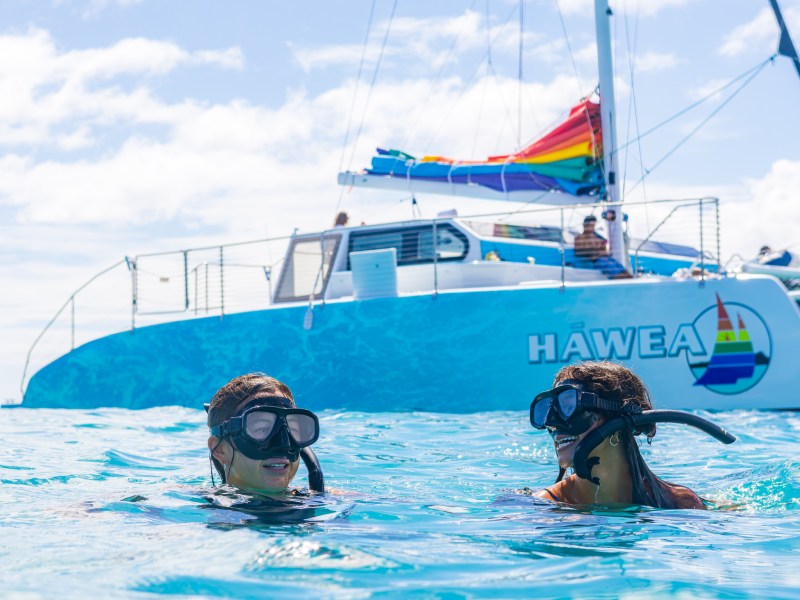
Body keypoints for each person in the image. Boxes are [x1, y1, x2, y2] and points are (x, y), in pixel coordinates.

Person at [528, 361, 728, 509]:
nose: (552, 424)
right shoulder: (546, 509)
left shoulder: (679, 502)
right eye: (545, 409)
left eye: (568, 405)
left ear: (614, 421)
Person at [206, 373, 324, 495]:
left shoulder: (327, 499)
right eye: (262, 429)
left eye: (292, 430)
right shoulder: (199, 505)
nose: (284, 443)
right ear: (220, 450)